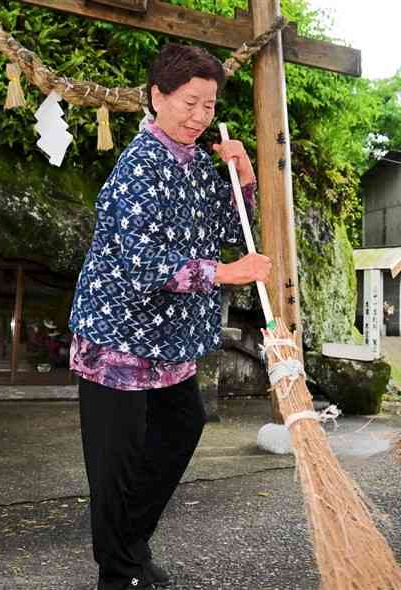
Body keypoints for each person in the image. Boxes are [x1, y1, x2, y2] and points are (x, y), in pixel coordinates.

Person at [68, 43, 271, 589]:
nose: (199, 116)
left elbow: (232, 228)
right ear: (157, 97)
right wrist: (226, 274)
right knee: (116, 467)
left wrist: (243, 178)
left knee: (179, 429)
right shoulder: (138, 164)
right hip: (118, 341)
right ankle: (119, 571)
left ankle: (128, 549)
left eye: (208, 105)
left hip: (170, 342)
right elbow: (141, 265)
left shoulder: (200, 163)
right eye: (188, 102)